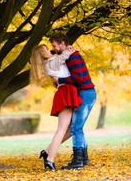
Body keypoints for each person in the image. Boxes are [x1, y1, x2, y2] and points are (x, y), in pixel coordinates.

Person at [30, 44, 83, 171]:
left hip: (66, 90)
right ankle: (50, 159)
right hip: (65, 91)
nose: (50, 50)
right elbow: (62, 58)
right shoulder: (51, 62)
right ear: (43, 54)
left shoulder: (49, 64)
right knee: (62, 129)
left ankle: (47, 151)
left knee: (72, 129)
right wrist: (70, 51)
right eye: (47, 49)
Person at [49, 32, 96, 170]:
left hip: (86, 93)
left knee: (76, 128)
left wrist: (60, 81)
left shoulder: (73, 56)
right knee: (77, 127)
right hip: (83, 93)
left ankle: (78, 160)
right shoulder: (68, 54)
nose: (53, 49)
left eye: (55, 46)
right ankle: (84, 159)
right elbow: (51, 54)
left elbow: (78, 78)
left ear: (62, 44)